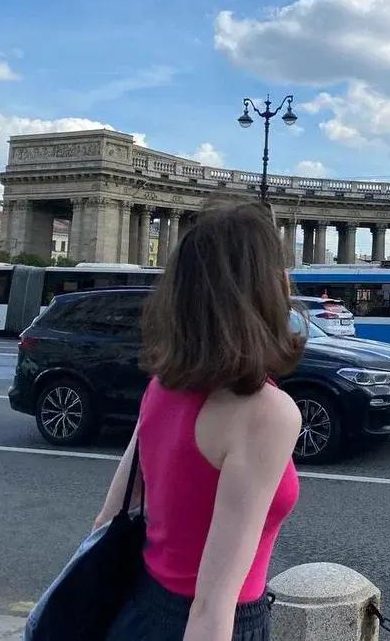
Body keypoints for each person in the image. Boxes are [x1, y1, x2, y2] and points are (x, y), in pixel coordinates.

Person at [97, 202, 306, 641]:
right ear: (268, 289)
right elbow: (211, 607)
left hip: (137, 609)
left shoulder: (162, 386)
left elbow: (108, 519)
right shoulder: (266, 412)